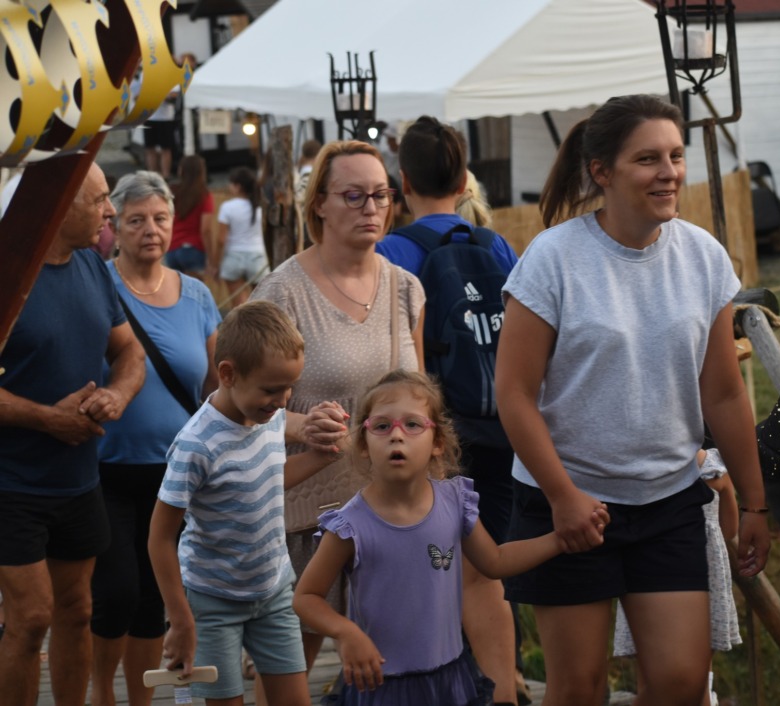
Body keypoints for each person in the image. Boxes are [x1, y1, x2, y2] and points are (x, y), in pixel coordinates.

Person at [494, 94, 771, 706]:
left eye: (675, 156)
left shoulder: (703, 257)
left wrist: (755, 502)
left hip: (669, 499)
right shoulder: (553, 259)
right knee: (578, 689)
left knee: (680, 684)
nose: (669, 172)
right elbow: (513, 394)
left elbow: (724, 392)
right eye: (648, 159)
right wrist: (563, 497)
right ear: (602, 171)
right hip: (570, 503)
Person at [292, 370, 609, 706]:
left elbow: (496, 562)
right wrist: (346, 633)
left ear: (437, 443)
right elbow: (306, 597)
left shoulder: (454, 503)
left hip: (449, 682)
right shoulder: (350, 525)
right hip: (381, 687)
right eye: (382, 426)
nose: (396, 436)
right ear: (363, 445)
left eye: (412, 425)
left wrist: (559, 540)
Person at [251, 139, 426, 698]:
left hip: (392, 512)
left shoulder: (406, 289)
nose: (371, 208)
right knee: (289, 672)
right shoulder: (282, 294)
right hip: (308, 517)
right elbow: (238, 407)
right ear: (319, 204)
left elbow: (420, 400)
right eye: (353, 195)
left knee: (392, 666)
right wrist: (300, 426)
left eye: (381, 195)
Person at [374, 116, 521, 704]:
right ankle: (505, 683)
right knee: (490, 567)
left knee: (431, 567)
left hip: (435, 436)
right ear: (464, 182)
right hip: (503, 428)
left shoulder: (392, 252)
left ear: (402, 182)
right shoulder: (496, 245)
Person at [147, 300, 345, 706]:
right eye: (271, 389)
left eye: (289, 387)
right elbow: (159, 539)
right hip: (211, 599)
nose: (283, 400)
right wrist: (180, 618)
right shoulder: (196, 445)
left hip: (273, 589)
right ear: (228, 374)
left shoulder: (266, 417)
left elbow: (265, 480)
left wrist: (322, 455)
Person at [0, 162, 146, 706]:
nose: (111, 211)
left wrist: (118, 394)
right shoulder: (9, 269)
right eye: (100, 199)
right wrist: (45, 417)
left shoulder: (92, 266)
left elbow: (129, 351)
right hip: (10, 481)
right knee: (30, 617)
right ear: (58, 204)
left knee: (78, 609)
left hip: (79, 478)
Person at [89, 171, 223, 706]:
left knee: (152, 596)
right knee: (115, 592)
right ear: (116, 227)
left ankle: (140, 700)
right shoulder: (96, 284)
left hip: (176, 474)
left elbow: (215, 387)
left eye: (160, 218)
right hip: (106, 468)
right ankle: (102, 692)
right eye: (136, 220)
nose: (151, 229)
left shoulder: (197, 295)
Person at [612, 448, 741, 706]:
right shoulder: (715, 470)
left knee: (648, 672)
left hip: (646, 568)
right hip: (704, 579)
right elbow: (730, 530)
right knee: (699, 673)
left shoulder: (643, 464)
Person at [216, 166, 269, 307]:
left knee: (239, 306)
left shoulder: (227, 207)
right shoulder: (260, 206)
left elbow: (221, 239)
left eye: (231, 184)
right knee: (261, 304)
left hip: (234, 256)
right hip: (257, 257)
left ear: (238, 186)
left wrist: (215, 263)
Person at [166, 155, 214, 280]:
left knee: (177, 290)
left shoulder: (172, 192)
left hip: (172, 249)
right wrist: (211, 257)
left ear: (181, 171)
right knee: (196, 290)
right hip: (193, 249)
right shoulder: (203, 194)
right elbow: (205, 229)